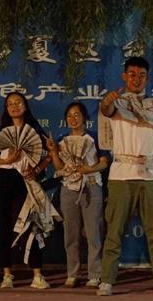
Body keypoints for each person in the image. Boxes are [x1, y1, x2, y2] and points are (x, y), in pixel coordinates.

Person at [96, 56, 153, 296]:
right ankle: (107, 281)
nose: (136, 79)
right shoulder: (117, 103)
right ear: (124, 76)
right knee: (114, 230)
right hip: (121, 174)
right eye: (132, 74)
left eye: (141, 75)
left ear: (147, 78)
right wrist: (107, 101)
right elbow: (105, 110)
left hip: (151, 174)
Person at [0, 92, 53, 289]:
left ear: (25, 106)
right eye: (10, 103)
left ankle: (37, 275)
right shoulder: (2, 131)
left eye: (18, 102)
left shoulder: (35, 130)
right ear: (6, 109)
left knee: (30, 225)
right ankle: (7, 274)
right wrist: (7, 160)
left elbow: (50, 155)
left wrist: (36, 170)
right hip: (2, 178)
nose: (14, 106)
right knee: (3, 226)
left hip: (25, 181)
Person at [47, 102, 109, 288]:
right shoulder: (61, 139)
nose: (73, 119)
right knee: (71, 233)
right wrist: (53, 152)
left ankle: (95, 274)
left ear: (84, 118)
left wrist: (89, 169)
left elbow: (104, 162)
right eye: (69, 116)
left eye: (77, 115)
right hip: (69, 189)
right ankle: (72, 273)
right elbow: (59, 167)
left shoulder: (94, 137)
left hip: (91, 187)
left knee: (93, 232)